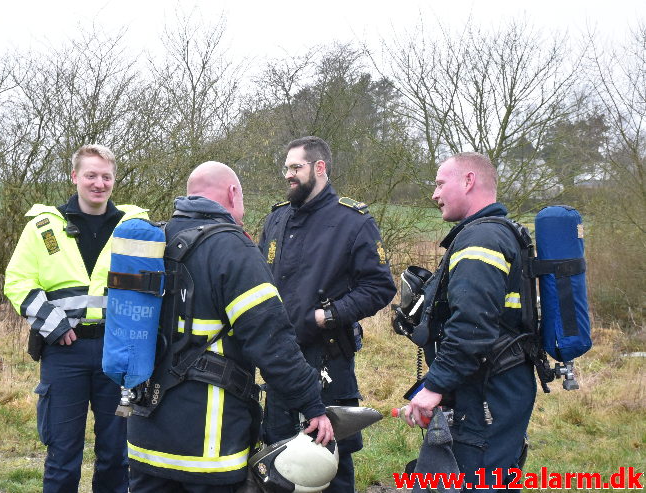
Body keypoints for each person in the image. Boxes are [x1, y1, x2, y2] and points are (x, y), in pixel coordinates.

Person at [127, 161, 333, 493]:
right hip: (208, 446)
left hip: (144, 439)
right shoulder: (233, 248)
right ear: (232, 193)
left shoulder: (153, 242)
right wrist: (311, 403)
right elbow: (272, 341)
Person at [4, 144, 148, 493]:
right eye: (91, 175)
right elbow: (18, 281)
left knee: (117, 454)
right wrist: (53, 323)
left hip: (116, 356)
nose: (99, 183)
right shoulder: (43, 227)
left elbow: (150, 287)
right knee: (63, 453)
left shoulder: (135, 228)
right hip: (65, 354)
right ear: (74, 177)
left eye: (106, 176)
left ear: (114, 180)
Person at [259, 136, 397, 492]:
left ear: (319, 168)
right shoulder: (276, 219)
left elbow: (380, 287)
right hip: (280, 360)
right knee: (279, 458)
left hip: (328, 361)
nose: (288, 175)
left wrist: (328, 316)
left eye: (296, 167)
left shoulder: (353, 221)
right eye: (286, 168)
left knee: (329, 462)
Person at [402, 152, 536, 490]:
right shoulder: (495, 234)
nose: (434, 194)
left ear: (468, 181)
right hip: (491, 386)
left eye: (440, 183)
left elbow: (472, 327)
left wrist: (433, 388)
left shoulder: (481, 240)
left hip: (487, 394)